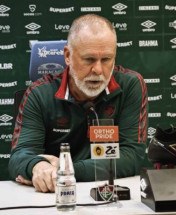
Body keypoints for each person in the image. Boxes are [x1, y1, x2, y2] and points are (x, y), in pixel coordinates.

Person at [8, 14, 148, 193]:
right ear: (67, 55)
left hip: (108, 193)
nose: (98, 70)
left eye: (106, 59)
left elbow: (132, 157)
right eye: (89, 59)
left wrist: (66, 170)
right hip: (55, 195)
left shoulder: (130, 86)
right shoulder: (39, 94)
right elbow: (19, 156)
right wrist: (38, 167)